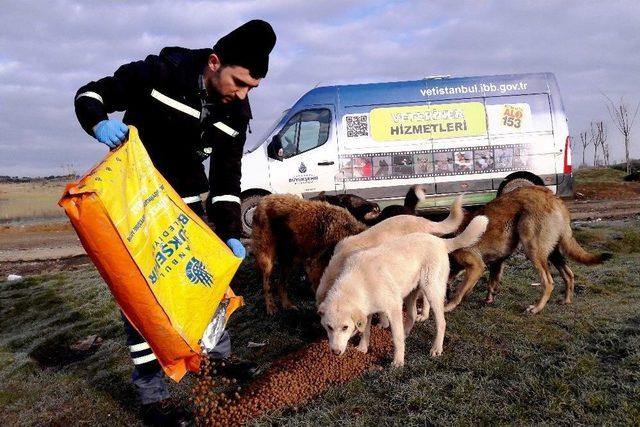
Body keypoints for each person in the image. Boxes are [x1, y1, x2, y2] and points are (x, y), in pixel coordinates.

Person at [74, 20, 276, 426]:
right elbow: (90, 94)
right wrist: (98, 122)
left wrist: (231, 233)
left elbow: (225, 182)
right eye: (239, 82)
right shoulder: (160, 73)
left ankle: (216, 361)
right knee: (145, 303)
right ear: (214, 62)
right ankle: (153, 397)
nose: (243, 94)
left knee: (209, 284)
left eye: (251, 88)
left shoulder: (235, 112)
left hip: (185, 209)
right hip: (136, 210)